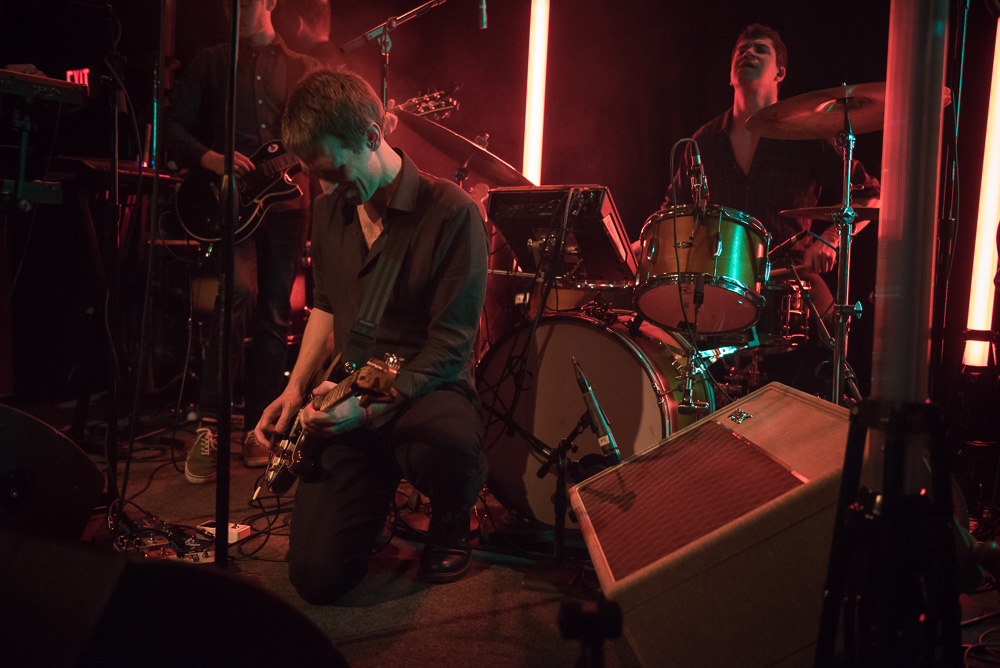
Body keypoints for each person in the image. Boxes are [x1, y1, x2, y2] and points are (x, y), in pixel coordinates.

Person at [253, 69, 489, 601]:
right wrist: (294, 389)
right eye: (316, 177)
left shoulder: (452, 212)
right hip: (350, 390)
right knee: (316, 579)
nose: (328, 190)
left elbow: (450, 348)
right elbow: (327, 306)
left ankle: (453, 515)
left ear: (371, 134)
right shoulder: (329, 211)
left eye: (334, 172)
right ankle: (371, 498)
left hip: (426, 389)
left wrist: (372, 411)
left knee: (444, 444)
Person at [659, 23, 880, 393]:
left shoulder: (808, 136)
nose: (748, 53)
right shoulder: (702, 142)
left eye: (760, 49)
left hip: (789, 281)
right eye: (741, 49)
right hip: (719, 289)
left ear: (780, 73)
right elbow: (673, 210)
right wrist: (635, 246)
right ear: (730, 74)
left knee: (820, 365)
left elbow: (869, 194)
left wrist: (830, 239)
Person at [163, 0, 318, 483]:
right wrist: (210, 158)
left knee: (274, 313)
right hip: (228, 202)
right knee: (238, 295)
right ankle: (211, 426)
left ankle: (259, 429)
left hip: (286, 206)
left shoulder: (302, 69)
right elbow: (170, 127)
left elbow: (318, 136)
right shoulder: (212, 62)